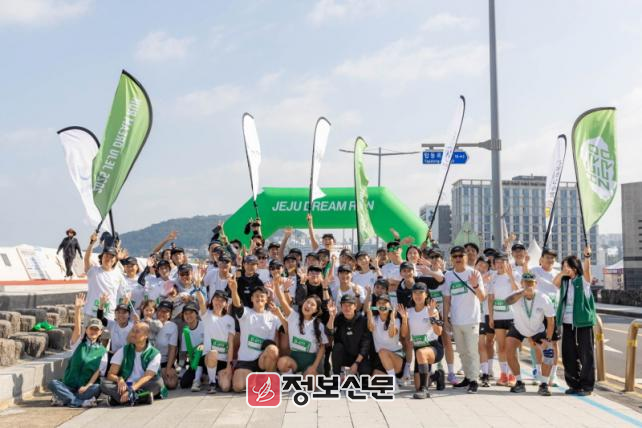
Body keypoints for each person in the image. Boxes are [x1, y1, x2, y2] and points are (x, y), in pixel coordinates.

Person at [48, 293, 107, 408]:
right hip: (68, 386)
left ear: (100, 332)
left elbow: (97, 373)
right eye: (91, 329)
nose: (93, 331)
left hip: (84, 389)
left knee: (97, 387)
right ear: (87, 330)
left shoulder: (103, 351)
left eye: (96, 330)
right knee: (53, 383)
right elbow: (77, 329)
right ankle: (79, 402)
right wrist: (78, 309)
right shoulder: (78, 344)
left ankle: (65, 399)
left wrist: (86, 387)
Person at [228, 274, 283, 392]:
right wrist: (234, 290)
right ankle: (258, 380)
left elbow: (286, 329)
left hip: (263, 360)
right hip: (246, 360)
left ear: (266, 299)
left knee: (273, 349)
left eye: (262, 296)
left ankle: (269, 379)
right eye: (256, 296)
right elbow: (237, 305)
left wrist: (280, 315)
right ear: (252, 298)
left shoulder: (273, 316)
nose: (259, 298)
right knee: (238, 387)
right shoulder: (246, 313)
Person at [504, 272, 556, 396]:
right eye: (526, 283)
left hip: (537, 329)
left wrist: (548, 339)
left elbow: (551, 321)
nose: (528, 286)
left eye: (531, 283)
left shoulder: (543, 298)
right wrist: (521, 292)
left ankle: (544, 384)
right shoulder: (516, 295)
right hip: (519, 327)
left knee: (549, 352)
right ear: (522, 283)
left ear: (535, 284)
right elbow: (507, 301)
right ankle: (519, 382)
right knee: (509, 349)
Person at [442, 246, 485, 393]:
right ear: (451, 259)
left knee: (472, 351)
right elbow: (446, 300)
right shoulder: (449, 275)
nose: (458, 259)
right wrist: (445, 320)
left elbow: (482, 297)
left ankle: (474, 380)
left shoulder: (474, 273)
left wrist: (475, 285)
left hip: (471, 319)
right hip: (456, 320)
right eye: (455, 256)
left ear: (466, 257)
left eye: (461, 256)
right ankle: (467, 376)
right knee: (461, 351)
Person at [554, 247, 596, 396]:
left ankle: (587, 386)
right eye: (563, 266)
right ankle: (574, 385)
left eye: (567, 266)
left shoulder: (583, 281)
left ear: (575, 268)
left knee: (586, 355)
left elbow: (587, 272)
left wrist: (587, 257)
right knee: (568, 355)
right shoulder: (565, 281)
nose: (565, 269)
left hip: (582, 323)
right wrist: (562, 273)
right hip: (567, 323)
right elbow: (555, 283)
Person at [101, 322, 165, 406]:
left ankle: (121, 399)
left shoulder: (155, 353)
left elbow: (148, 376)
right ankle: (141, 397)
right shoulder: (123, 350)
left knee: (158, 383)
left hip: (143, 384)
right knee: (103, 384)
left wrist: (132, 389)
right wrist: (119, 379)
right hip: (126, 384)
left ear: (146, 335)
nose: (133, 334)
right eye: (132, 331)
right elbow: (111, 374)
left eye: (137, 331)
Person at [274, 285, 329, 378]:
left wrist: (314, 367)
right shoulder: (293, 316)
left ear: (316, 310)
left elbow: (322, 348)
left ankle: (303, 376)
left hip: (310, 362)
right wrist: (276, 284)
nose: (308, 305)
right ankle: (292, 377)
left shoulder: (319, 325)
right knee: (282, 362)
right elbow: (282, 300)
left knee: (310, 384)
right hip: (294, 360)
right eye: (307, 302)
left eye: (312, 305)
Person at [528, 247, 561, 386]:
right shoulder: (534, 271)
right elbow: (526, 282)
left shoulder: (558, 273)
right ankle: (538, 372)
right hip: (538, 314)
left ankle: (553, 375)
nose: (550, 260)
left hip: (553, 314)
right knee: (537, 344)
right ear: (541, 259)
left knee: (553, 344)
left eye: (552, 258)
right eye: (547, 257)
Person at [487, 252, 520, 387]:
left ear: (507, 263)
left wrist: (511, 277)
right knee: (501, 347)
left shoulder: (515, 274)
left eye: (502, 262)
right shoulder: (493, 277)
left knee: (512, 347)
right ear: (494, 264)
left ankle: (513, 375)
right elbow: (490, 298)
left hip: (512, 316)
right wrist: (491, 316)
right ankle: (503, 375)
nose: (500, 264)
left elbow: (518, 292)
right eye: (497, 262)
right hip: (498, 316)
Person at [364, 287, 406, 392]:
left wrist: (392, 317)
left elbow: (392, 334)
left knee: (383, 351)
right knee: (373, 385)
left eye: (384, 303)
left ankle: (394, 385)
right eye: (379, 303)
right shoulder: (375, 319)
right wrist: (369, 312)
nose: (382, 305)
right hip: (381, 360)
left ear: (390, 306)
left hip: (396, 358)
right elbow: (371, 327)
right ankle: (393, 379)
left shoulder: (396, 320)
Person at [407, 283, 444, 399]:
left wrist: (432, 317)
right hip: (418, 351)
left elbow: (439, 332)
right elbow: (405, 334)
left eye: (421, 293)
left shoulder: (432, 310)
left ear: (426, 294)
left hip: (434, 348)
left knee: (421, 352)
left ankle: (425, 390)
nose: (418, 296)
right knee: (417, 386)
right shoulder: (409, 312)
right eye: (415, 293)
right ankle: (436, 376)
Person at [83, 232, 126, 321]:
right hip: (91, 314)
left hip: (109, 316)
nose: (108, 259)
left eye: (112, 257)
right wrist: (91, 244)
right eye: (106, 256)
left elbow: (126, 295)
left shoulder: (118, 274)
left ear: (115, 260)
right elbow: (87, 259)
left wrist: (120, 313)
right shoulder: (93, 271)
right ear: (101, 257)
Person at [198, 290, 235, 394]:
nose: (219, 302)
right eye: (216, 299)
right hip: (209, 358)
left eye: (222, 300)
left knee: (226, 387)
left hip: (223, 361)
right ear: (212, 301)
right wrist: (198, 288)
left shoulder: (230, 320)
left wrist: (229, 366)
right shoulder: (206, 315)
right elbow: (201, 302)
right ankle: (212, 382)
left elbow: (231, 344)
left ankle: (216, 377)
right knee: (213, 353)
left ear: (226, 303)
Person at [328, 295, 373, 376]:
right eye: (344, 305)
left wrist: (356, 363)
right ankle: (336, 376)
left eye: (349, 305)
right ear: (341, 307)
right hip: (344, 355)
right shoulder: (338, 318)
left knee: (365, 372)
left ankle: (355, 373)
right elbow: (329, 332)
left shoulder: (363, 320)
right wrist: (332, 316)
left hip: (359, 357)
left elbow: (365, 346)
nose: (347, 308)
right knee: (337, 347)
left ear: (355, 306)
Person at [178, 302, 206, 391]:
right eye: (186, 313)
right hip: (195, 361)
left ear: (196, 314)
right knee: (183, 384)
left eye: (191, 313)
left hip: (207, 358)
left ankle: (198, 380)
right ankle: (201, 376)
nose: (188, 315)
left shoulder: (204, 325)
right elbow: (187, 353)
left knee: (200, 350)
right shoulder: (185, 333)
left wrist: (202, 345)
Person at [155, 300, 179, 390]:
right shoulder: (149, 322)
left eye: (167, 311)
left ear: (170, 314)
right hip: (150, 360)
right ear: (157, 311)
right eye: (161, 310)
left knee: (171, 384)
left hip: (164, 361)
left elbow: (172, 349)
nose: (163, 313)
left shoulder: (172, 326)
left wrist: (168, 368)